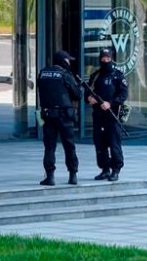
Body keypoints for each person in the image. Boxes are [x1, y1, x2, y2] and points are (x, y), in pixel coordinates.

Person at [36, 50, 82, 186]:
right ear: (63, 61)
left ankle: (50, 176)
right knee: (69, 146)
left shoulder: (43, 73)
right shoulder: (64, 74)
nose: (69, 63)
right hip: (64, 116)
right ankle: (73, 175)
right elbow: (77, 95)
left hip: (48, 115)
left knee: (49, 147)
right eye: (68, 60)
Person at [87, 47, 128, 182]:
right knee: (100, 143)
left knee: (114, 142)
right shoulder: (96, 75)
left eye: (108, 58)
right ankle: (105, 169)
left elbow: (123, 94)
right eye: (103, 59)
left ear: (112, 59)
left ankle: (115, 170)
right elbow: (88, 91)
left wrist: (110, 103)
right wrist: (89, 98)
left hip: (112, 115)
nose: (105, 61)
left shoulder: (118, 75)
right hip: (98, 115)